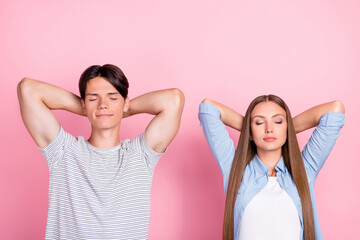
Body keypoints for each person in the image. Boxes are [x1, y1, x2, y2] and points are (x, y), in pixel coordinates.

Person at [17, 64, 185, 239]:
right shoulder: (63, 152)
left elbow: (174, 99)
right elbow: (27, 89)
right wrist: (96, 110)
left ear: (125, 102)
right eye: (93, 98)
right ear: (83, 104)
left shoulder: (140, 155)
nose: (103, 104)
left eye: (112, 98)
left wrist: (119, 110)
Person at [198, 95, 345, 240]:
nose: (269, 129)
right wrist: (249, 129)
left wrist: (288, 130)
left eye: (278, 121)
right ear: (250, 131)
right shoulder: (235, 170)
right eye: (259, 122)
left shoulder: (304, 170)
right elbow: (209, 108)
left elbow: (334, 110)